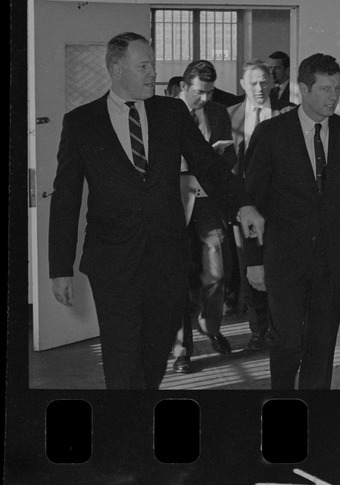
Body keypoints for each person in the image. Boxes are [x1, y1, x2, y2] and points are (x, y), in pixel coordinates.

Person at [48, 32, 264, 390]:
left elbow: (208, 166)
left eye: (153, 64)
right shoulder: (82, 123)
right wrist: (60, 268)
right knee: (121, 356)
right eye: (144, 65)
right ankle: (128, 431)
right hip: (112, 261)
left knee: (155, 353)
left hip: (166, 259)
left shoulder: (171, 112)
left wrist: (242, 204)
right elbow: (66, 196)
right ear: (116, 69)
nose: (154, 73)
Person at [244, 53, 340, 389]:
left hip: (330, 264)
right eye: (324, 89)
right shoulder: (272, 133)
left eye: (337, 88)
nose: (333, 97)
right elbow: (251, 204)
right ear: (302, 89)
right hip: (284, 260)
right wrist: (253, 261)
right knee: (288, 343)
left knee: (322, 349)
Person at [171, 60, 237, 374]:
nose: (205, 99)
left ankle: (211, 327)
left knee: (216, 274)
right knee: (180, 278)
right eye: (199, 92)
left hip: (209, 203)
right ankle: (182, 349)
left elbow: (231, 157)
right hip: (175, 204)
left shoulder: (218, 113)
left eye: (210, 92)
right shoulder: (164, 114)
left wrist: (219, 157)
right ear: (183, 87)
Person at [227, 59, 293, 350]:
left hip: (281, 208)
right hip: (244, 205)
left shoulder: (289, 113)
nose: (259, 88)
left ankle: (281, 328)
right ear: (242, 85)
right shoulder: (229, 116)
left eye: (264, 82)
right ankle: (258, 330)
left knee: (280, 267)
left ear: (272, 83)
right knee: (249, 268)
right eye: (252, 83)